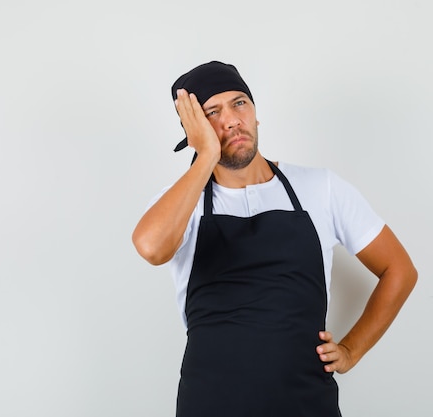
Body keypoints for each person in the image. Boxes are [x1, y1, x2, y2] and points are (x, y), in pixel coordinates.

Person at [132, 61, 417, 417]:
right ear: (194, 131)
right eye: (212, 112)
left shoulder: (320, 188)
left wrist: (351, 350)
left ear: (255, 113)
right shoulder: (180, 202)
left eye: (240, 103)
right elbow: (151, 248)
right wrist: (207, 156)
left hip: (307, 404)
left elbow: (399, 270)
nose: (233, 119)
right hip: (210, 404)